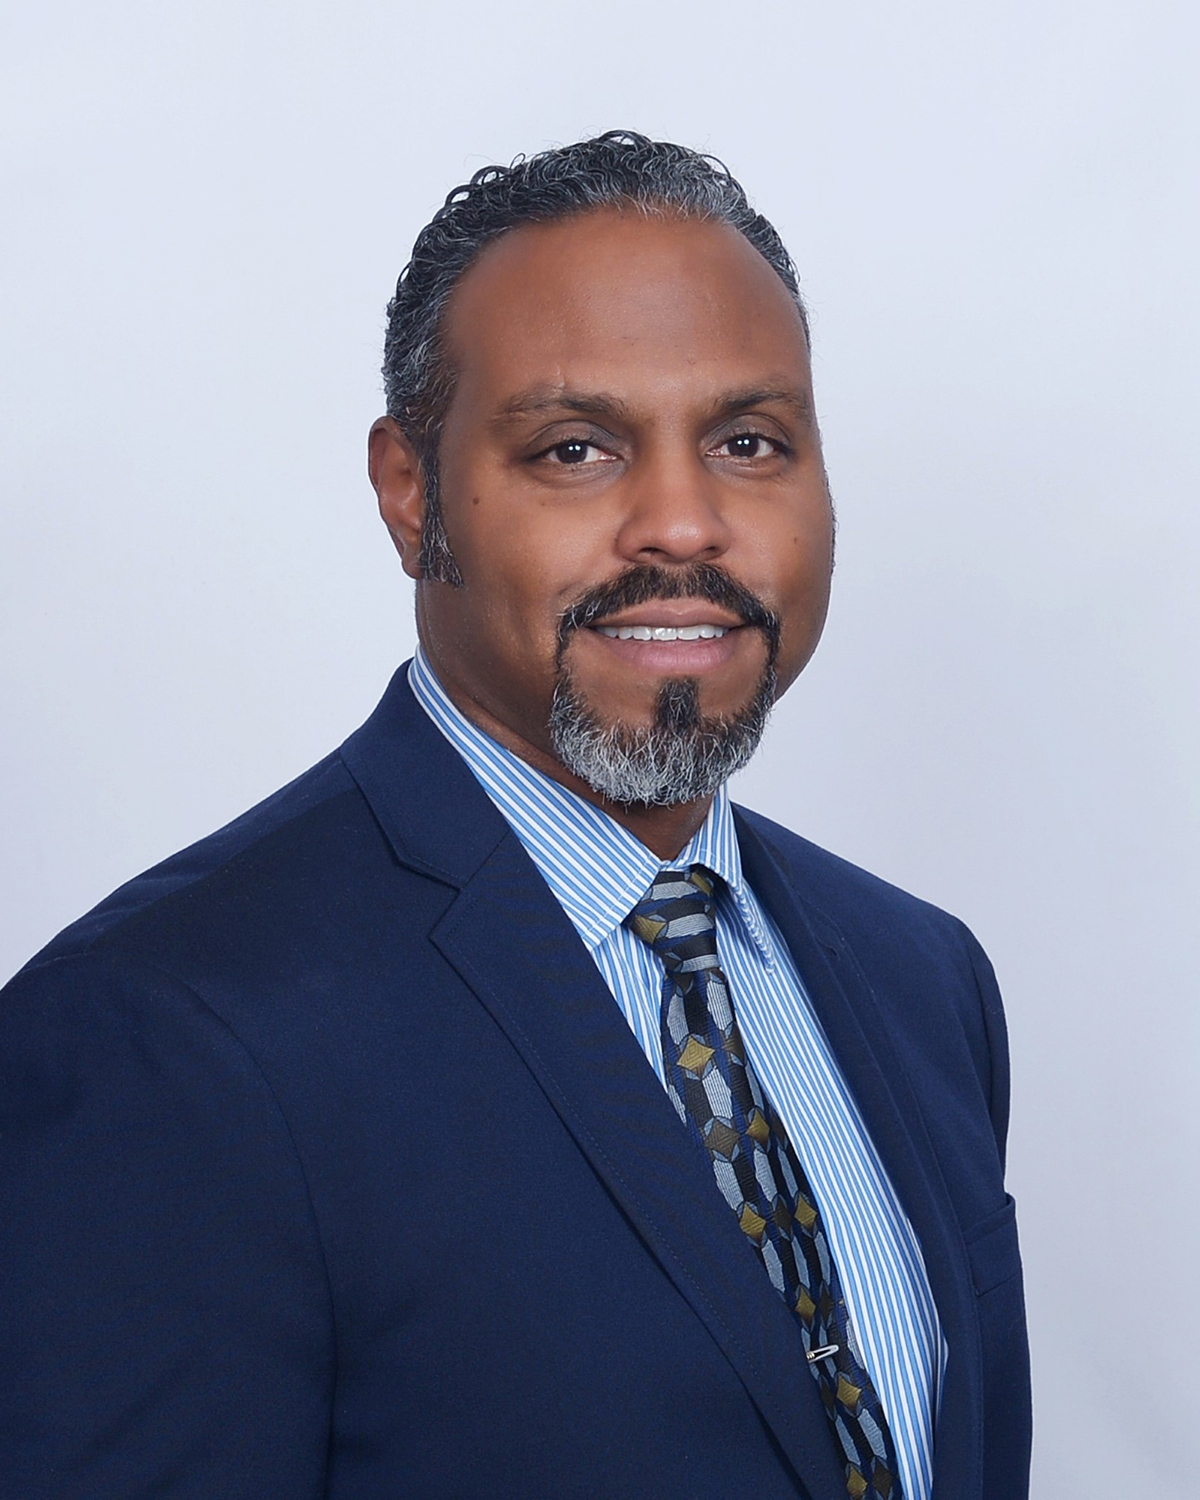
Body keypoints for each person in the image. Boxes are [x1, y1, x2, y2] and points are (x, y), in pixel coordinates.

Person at [0, 132, 1030, 1500]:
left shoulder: (921, 979)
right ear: (409, 490)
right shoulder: (169, 1041)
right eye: (576, 448)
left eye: (747, 442)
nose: (683, 524)